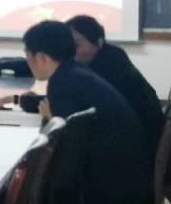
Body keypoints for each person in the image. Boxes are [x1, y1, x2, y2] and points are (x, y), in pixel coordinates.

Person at [0, 21, 154, 204]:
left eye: (27, 55)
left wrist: (51, 121)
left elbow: (65, 152)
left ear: (40, 58)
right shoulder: (73, 71)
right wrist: (16, 99)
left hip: (114, 187)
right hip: (130, 176)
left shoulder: (63, 83)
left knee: (18, 191)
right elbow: (54, 104)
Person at [66, 15, 165, 149]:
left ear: (99, 43)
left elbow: (86, 114)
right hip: (141, 137)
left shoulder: (106, 68)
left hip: (135, 146)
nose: (70, 52)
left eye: (77, 45)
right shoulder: (113, 54)